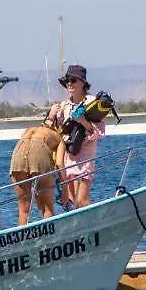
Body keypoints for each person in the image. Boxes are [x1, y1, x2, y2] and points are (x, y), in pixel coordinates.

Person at [48, 65, 106, 210]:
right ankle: (77, 231)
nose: (69, 84)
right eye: (67, 81)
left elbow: (99, 133)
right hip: (67, 159)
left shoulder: (93, 103)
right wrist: (51, 116)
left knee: (82, 201)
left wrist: (83, 122)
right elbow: (57, 133)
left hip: (85, 158)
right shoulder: (64, 106)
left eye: (73, 80)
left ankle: (92, 227)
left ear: (82, 83)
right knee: (71, 202)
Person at [9, 116, 64, 225]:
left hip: (19, 150)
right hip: (39, 149)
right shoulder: (58, 138)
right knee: (47, 206)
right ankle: (51, 238)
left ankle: (23, 239)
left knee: (23, 209)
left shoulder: (29, 131)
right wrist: (65, 190)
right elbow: (59, 164)